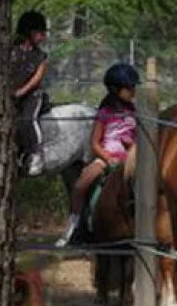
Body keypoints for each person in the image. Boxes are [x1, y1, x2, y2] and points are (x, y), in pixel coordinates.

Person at [56, 63, 142, 246]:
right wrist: (107, 158)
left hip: (130, 159)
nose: (134, 91)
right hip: (107, 157)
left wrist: (133, 148)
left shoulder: (133, 112)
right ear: (116, 89)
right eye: (130, 87)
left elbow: (136, 138)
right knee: (79, 187)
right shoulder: (104, 113)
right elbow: (95, 143)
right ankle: (76, 227)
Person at [13, 10, 50, 176]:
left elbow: (37, 77)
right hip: (12, 94)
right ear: (29, 32)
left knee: (28, 118)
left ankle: (36, 153)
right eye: (40, 33)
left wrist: (22, 91)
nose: (43, 37)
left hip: (32, 95)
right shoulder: (11, 51)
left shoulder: (40, 56)